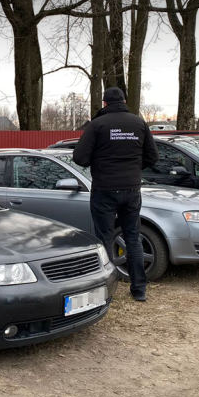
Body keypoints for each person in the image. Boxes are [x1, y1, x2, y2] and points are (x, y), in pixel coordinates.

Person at [72, 87, 159, 302]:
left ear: (104, 104)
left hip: (104, 190)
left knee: (105, 239)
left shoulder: (97, 125)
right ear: (125, 101)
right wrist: (133, 168)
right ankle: (139, 290)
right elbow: (153, 156)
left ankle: (107, 292)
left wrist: (99, 160)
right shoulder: (139, 123)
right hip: (131, 190)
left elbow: (80, 157)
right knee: (133, 238)